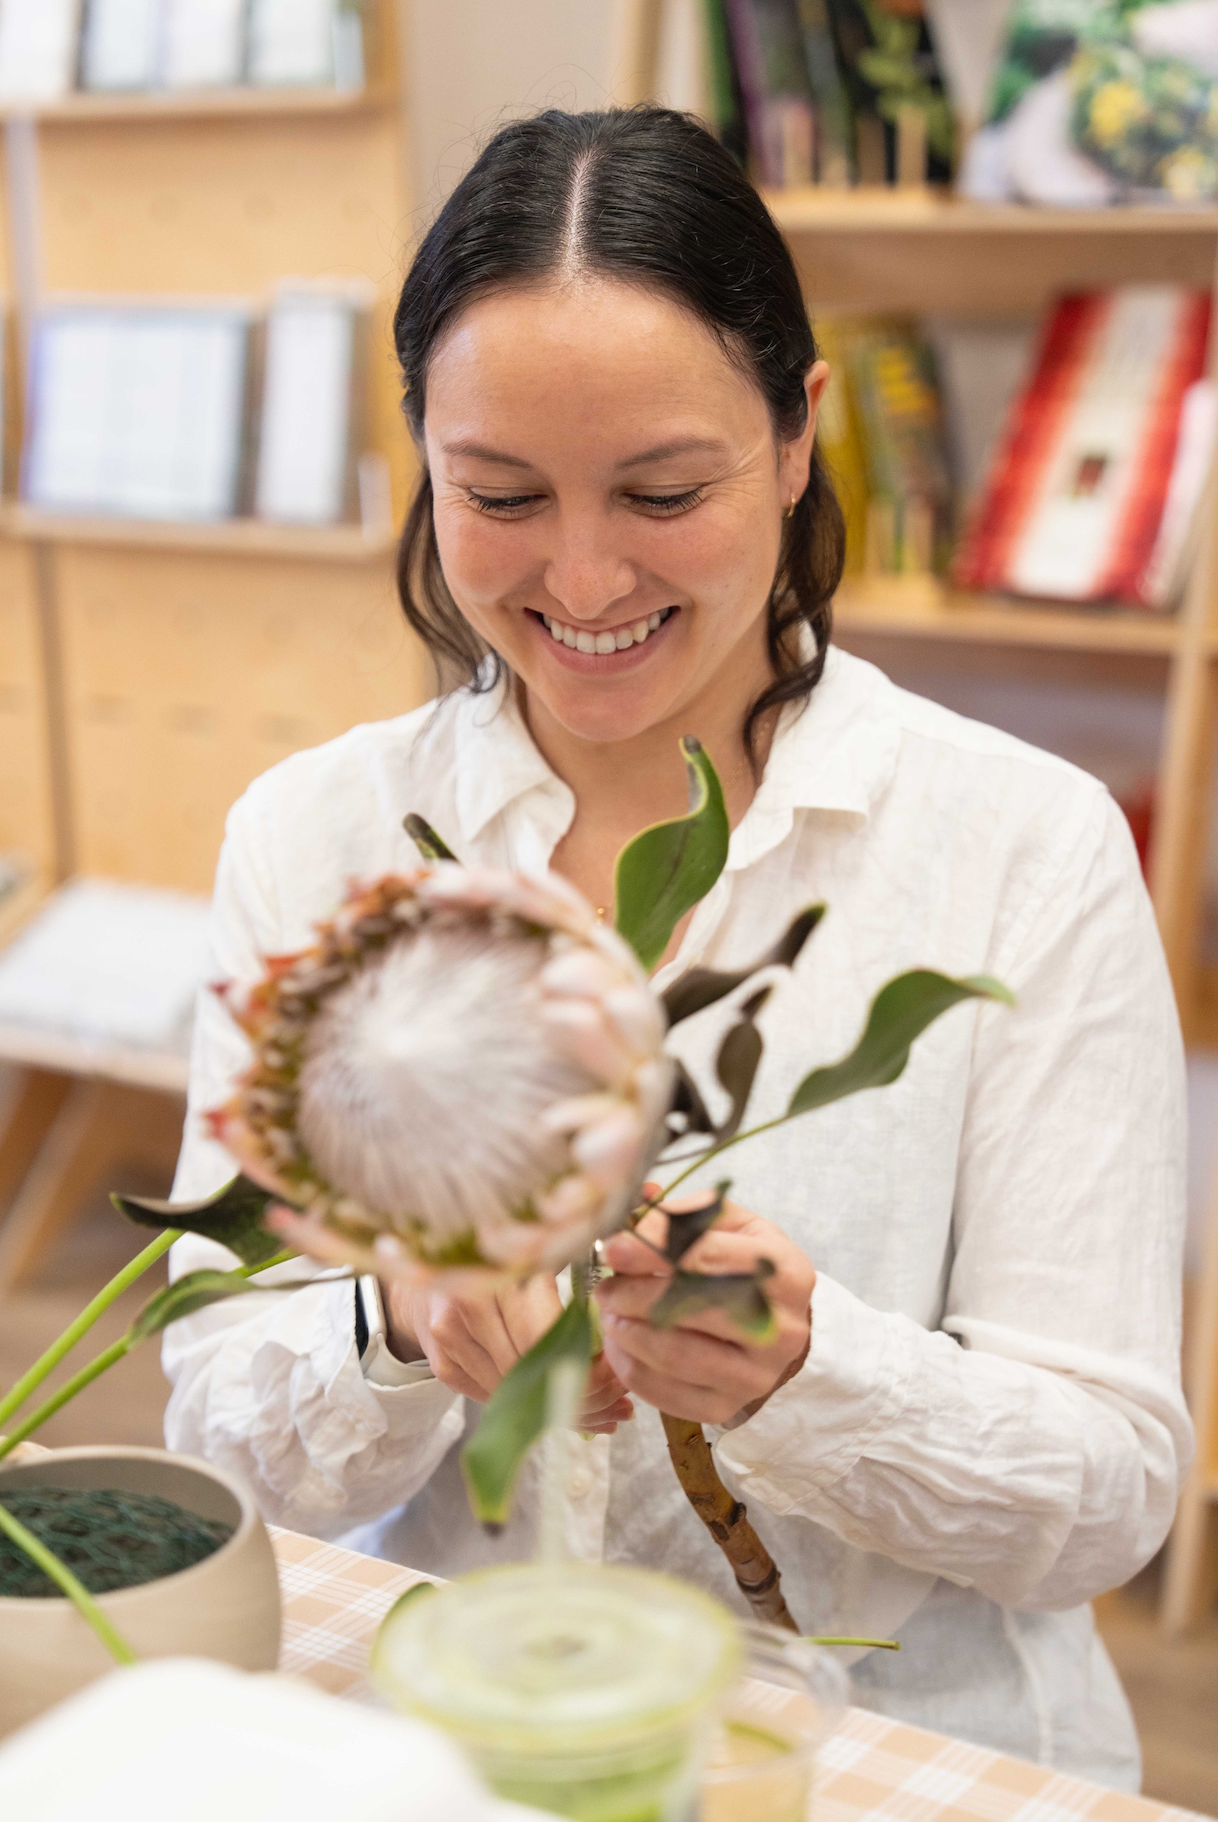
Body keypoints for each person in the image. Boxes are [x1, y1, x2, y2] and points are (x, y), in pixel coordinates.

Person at [163, 107, 1190, 1786]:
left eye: (661, 490)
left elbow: (1105, 1497)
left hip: (892, 1751)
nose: (581, 577)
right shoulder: (317, 834)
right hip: (460, 1731)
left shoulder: (1020, 845)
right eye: (497, 493)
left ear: (797, 436)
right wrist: (401, 1324)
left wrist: (811, 1369)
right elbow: (222, 1420)